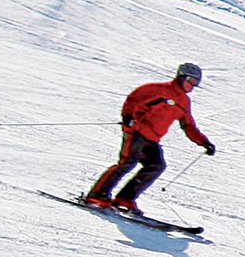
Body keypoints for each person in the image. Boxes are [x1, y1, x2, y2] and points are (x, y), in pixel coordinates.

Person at [82, 62, 215, 216]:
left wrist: (204, 142)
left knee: (156, 166)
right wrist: (128, 117)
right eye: (191, 81)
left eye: (195, 83)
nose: (192, 86)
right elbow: (134, 99)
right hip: (137, 132)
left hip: (152, 139)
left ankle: (125, 198)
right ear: (181, 77)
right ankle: (96, 195)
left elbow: (188, 126)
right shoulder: (158, 89)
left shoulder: (184, 102)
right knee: (127, 163)